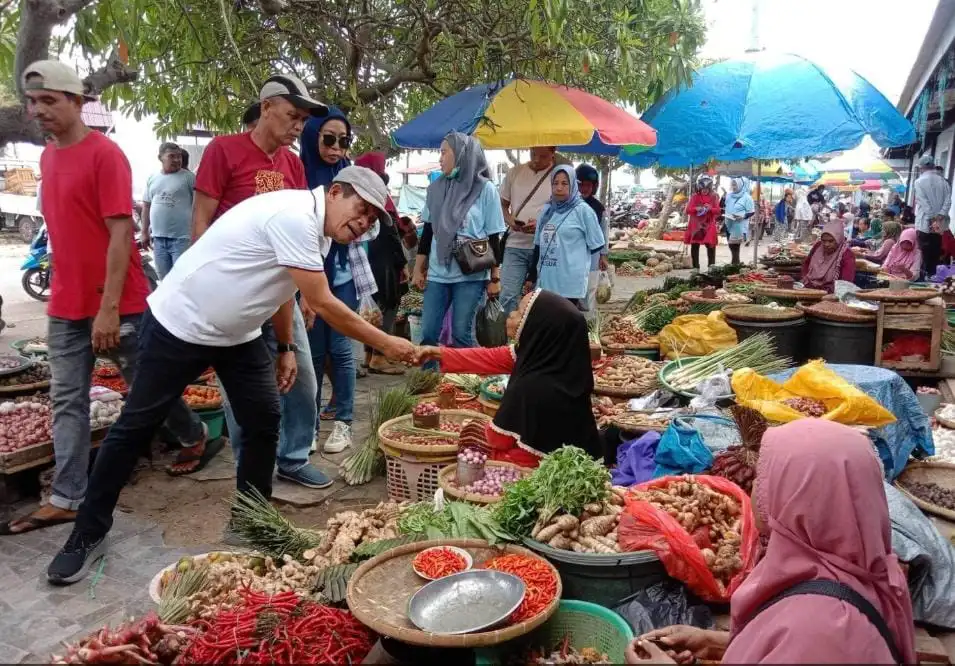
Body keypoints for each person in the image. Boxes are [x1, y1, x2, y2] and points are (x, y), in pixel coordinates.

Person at [46, 166, 414, 585]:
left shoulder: (321, 229)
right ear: (333, 193)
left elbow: (281, 286)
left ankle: (250, 520)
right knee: (134, 427)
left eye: (370, 219)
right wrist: (387, 344)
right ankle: (86, 532)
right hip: (179, 325)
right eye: (361, 209)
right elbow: (323, 302)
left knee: (262, 420)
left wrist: (284, 347)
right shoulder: (293, 215)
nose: (363, 222)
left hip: (237, 335)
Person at [0, 61, 205, 537]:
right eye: (33, 101)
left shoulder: (105, 155)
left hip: (118, 300)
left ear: (77, 102)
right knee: (66, 398)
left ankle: (193, 434)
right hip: (65, 303)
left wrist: (109, 306)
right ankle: (68, 497)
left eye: (50, 100)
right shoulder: (48, 159)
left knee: (146, 386)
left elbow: (120, 235)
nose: (39, 110)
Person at [626, 420, 916, 665]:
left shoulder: (823, 630)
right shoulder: (866, 571)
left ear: (797, 502)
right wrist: (718, 643)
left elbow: (809, 644)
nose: (752, 491)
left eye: (763, 480)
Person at [192, 74, 325, 488]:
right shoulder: (223, 150)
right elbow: (200, 222)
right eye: (292, 116)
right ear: (266, 107)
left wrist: (304, 289)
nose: (298, 127)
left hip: (280, 291)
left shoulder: (292, 164)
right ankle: (251, 469)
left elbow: (302, 230)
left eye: (303, 120)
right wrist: (206, 282)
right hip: (234, 295)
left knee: (301, 374)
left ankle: (294, 455)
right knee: (242, 387)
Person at [415, 290, 601, 466]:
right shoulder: (556, 360)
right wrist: (439, 353)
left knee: (473, 438)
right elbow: (493, 357)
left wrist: (472, 428)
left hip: (535, 465)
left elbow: (498, 439)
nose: (511, 314)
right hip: (579, 450)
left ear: (537, 326)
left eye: (520, 312)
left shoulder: (531, 385)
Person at [300, 108, 378, 453]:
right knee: (313, 354)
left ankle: (344, 422)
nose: (336, 147)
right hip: (308, 276)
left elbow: (371, 222)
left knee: (341, 350)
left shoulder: (348, 175)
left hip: (342, 279)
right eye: (328, 138)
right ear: (312, 135)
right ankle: (310, 425)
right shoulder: (296, 171)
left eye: (343, 141)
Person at [413, 133, 505, 361]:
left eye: (444, 152)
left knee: (462, 333)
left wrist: (495, 278)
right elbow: (427, 232)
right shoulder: (435, 189)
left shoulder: (485, 190)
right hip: (438, 272)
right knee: (428, 333)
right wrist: (418, 268)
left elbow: (494, 236)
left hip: (471, 275)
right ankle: (430, 383)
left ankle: (464, 382)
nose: (440, 158)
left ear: (462, 154)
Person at [354, 151, 408, 375]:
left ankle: (368, 356)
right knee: (386, 306)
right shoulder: (378, 195)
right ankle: (379, 356)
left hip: (368, 260)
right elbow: (392, 234)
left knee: (371, 310)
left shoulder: (357, 193)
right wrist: (403, 263)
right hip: (384, 262)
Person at [526, 165, 605, 308]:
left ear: (573, 184)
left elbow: (596, 245)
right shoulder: (547, 210)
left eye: (564, 183)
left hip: (570, 284)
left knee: (563, 324)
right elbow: (538, 245)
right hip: (546, 281)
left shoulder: (584, 211)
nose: (559, 188)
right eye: (555, 183)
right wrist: (531, 276)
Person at [499, 147, 557, 316]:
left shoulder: (558, 177)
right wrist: (511, 221)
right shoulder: (514, 173)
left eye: (543, 156)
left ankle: (537, 335)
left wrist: (540, 225)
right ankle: (507, 335)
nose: (537, 160)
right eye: (534, 155)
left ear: (553, 153)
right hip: (515, 244)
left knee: (542, 297)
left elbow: (564, 210)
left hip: (545, 248)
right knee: (508, 294)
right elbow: (502, 205)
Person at [141, 142, 195, 278]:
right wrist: (144, 232)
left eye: (179, 157)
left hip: (182, 239)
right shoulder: (153, 178)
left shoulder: (189, 177)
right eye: (172, 156)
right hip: (158, 239)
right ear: (160, 157)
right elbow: (146, 206)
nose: (177, 160)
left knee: (181, 280)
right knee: (164, 279)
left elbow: (198, 206)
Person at [575, 164, 609, 316]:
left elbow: (603, 233)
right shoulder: (567, 205)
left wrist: (603, 254)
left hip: (592, 258)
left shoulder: (598, 208)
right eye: (580, 185)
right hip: (573, 257)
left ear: (594, 187)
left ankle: (587, 325)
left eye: (588, 185)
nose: (584, 189)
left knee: (589, 291)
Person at [914, 155, 953, 278]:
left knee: (924, 256)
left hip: (925, 224)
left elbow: (924, 202)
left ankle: (923, 282)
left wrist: (932, 219)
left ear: (921, 167)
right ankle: (932, 280)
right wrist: (940, 216)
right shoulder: (944, 181)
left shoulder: (919, 181)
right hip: (941, 226)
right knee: (936, 256)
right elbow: (948, 201)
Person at [801, 220, 855, 292]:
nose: (826, 244)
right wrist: (805, 279)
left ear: (838, 239)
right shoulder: (818, 246)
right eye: (824, 240)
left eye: (831, 241)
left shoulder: (846, 254)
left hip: (831, 294)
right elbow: (806, 263)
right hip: (809, 288)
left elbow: (846, 283)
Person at [683, 175, 720, 270]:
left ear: (710, 188)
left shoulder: (714, 196)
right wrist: (696, 208)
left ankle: (711, 267)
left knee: (710, 246)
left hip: (708, 225)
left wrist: (710, 208)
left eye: (707, 189)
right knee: (695, 246)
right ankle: (695, 268)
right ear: (699, 187)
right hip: (696, 225)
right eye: (703, 188)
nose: (705, 190)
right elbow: (688, 210)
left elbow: (718, 211)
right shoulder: (695, 197)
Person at [722, 178, 754, 265]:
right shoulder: (729, 195)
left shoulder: (747, 197)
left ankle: (735, 263)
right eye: (732, 185)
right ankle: (735, 262)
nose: (733, 187)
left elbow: (751, 212)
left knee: (735, 245)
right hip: (729, 223)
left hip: (739, 225)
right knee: (730, 244)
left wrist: (742, 216)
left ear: (740, 185)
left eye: (735, 185)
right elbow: (724, 206)